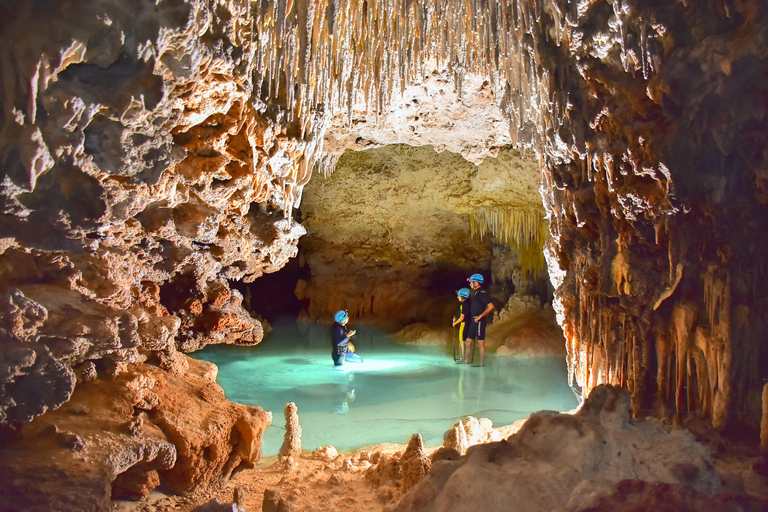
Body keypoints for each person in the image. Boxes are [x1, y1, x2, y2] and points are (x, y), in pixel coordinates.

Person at [464, 274, 494, 366]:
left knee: (480, 343)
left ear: (476, 282)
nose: (470, 284)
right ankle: (466, 362)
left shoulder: (482, 293)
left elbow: (491, 306)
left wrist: (480, 316)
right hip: (474, 321)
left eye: (471, 283)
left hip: (479, 321)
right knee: (468, 341)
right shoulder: (475, 293)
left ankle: (481, 364)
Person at [452, 288, 470, 362]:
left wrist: (455, 323)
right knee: (465, 341)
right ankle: (466, 358)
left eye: (459, 295)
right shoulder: (468, 303)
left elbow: (462, 318)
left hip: (464, 324)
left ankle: (463, 358)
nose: (457, 297)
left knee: (462, 341)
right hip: (468, 324)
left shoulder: (464, 305)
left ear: (463, 296)